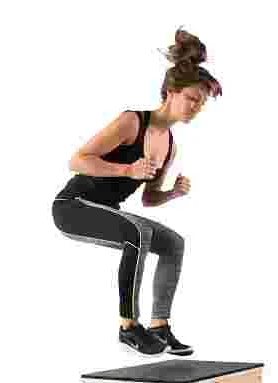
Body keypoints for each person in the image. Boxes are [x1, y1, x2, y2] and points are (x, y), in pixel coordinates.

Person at [52, 26, 222, 356]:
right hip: (72, 205)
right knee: (138, 232)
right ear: (170, 92)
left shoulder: (169, 146)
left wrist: (172, 193)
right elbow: (77, 160)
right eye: (191, 98)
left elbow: (148, 198)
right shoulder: (132, 122)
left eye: (201, 104)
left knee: (173, 243)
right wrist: (127, 170)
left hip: (107, 211)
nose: (195, 107)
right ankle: (128, 326)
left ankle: (159, 326)